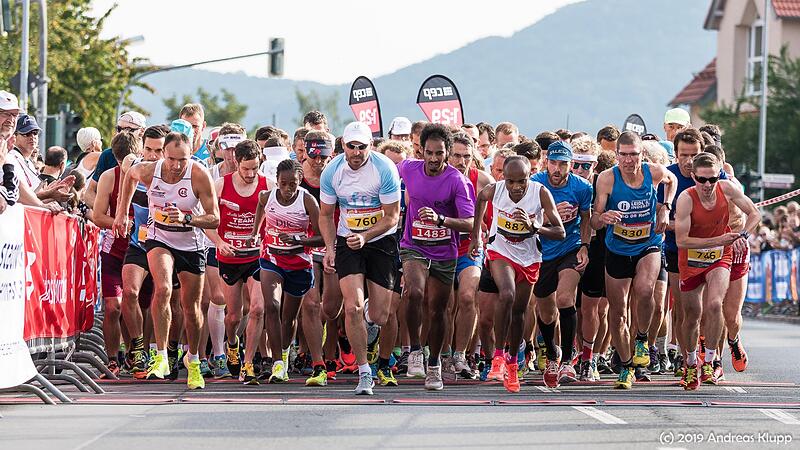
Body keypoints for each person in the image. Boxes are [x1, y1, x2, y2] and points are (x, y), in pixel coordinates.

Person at [113, 132, 219, 390]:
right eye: (171, 158)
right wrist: (121, 213)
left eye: (182, 159)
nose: (176, 165)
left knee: (191, 309)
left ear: (190, 156)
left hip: (190, 243)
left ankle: (193, 359)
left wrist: (186, 218)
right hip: (159, 238)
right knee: (163, 289)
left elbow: (214, 218)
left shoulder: (199, 174)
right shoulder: (151, 170)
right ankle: (160, 356)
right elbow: (130, 176)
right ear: (163, 154)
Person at [319, 121, 401, 395]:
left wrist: (365, 236)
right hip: (347, 240)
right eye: (351, 147)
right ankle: (365, 371)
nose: (356, 152)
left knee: (380, 315)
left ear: (371, 145)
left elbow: (392, 216)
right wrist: (330, 248)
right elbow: (325, 215)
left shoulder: (384, 168)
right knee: (351, 307)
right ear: (343, 145)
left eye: (361, 147)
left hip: (380, 240)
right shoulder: (332, 171)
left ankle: (368, 313)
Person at [470, 155, 564, 393]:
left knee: (519, 312)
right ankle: (498, 357)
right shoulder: (496, 189)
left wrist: (535, 227)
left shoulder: (540, 193)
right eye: (511, 181)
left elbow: (560, 231)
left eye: (521, 181)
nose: (516, 187)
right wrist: (475, 235)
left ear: (529, 177)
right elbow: (480, 199)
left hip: (529, 257)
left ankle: (513, 364)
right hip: (500, 251)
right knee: (507, 294)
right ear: (504, 178)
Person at [590, 131, 676, 390]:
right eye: (624, 155)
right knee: (617, 314)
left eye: (634, 155)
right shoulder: (607, 179)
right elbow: (594, 219)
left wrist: (665, 208)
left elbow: (672, 181)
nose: (629, 160)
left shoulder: (654, 172)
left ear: (642, 155)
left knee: (645, 290)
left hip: (648, 244)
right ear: (616, 155)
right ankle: (626, 366)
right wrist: (603, 218)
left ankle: (641, 339)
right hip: (617, 247)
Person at [399, 124, 475, 390]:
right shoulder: (409, 169)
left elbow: (469, 223)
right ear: (421, 151)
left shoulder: (457, 181)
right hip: (414, 246)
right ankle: (415, 350)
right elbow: (382, 168)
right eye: (429, 152)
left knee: (439, 309)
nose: (433, 158)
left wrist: (441, 219)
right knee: (414, 293)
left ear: (447, 152)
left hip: (444, 250)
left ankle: (434, 366)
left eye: (439, 153)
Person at [674, 152, 760, 390]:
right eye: (702, 179)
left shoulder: (726, 188)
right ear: (694, 177)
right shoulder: (686, 199)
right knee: (692, 314)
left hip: (720, 257)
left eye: (712, 179)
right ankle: (691, 362)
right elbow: (681, 240)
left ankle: (710, 361)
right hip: (691, 259)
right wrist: (718, 240)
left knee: (714, 305)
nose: (708, 185)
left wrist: (742, 235)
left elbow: (754, 213)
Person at [252, 159, 323, 383]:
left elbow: (321, 237)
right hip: (271, 259)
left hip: (299, 263)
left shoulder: (308, 201)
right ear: (277, 181)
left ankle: (284, 354)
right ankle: (277, 363)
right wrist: (256, 232)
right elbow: (260, 206)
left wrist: (298, 240)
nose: (288, 189)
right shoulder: (267, 196)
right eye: (283, 183)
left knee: (289, 318)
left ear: (300, 181)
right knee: (272, 306)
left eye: (293, 184)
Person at [205, 139, 268, 384]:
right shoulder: (221, 185)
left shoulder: (268, 185)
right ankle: (232, 344)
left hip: (257, 257)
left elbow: (277, 215)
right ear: (236, 163)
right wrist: (219, 242)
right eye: (246, 169)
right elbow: (207, 220)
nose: (251, 174)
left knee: (258, 308)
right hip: (229, 257)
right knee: (233, 316)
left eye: (255, 168)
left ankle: (248, 364)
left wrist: (265, 238)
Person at [530, 141, 593, 388]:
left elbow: (586, 218)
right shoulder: (535, 184)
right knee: (545, 310)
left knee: (565, 298)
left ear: (571, 165)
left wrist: (585, 246)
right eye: (554, 163)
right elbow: (527, 219)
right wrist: (551, 215)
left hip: (570, 246)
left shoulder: (582, 187)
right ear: (546, 163)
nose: (558, 169)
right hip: (541, 251)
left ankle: (568, 360)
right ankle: (552, 354)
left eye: (563, 164)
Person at [115, 124, 169, 379]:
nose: (153, 155)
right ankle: (137, 348)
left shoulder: (179, 173)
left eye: (159, 151)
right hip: (140, 243)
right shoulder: (135, 166)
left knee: (167, 297)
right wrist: (121, 215)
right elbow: (127, 175)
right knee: (129, 292)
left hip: (168, 245)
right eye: (148, 149)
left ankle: (166, 352)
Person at [93, 131, 141, 377]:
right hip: (114, 250)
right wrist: (119, 222)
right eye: (121, 161)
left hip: (140, 249)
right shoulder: (108, 177)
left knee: (137, 303)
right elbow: (97, 216)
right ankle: (112, 358)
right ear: (115, 158)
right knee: (113, 307)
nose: (126, 166)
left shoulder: (147, 175)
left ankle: (136, 353)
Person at [447, 132, 494, 379]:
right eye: (456, 155)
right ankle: (441, 355)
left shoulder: (483, 180)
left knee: (467, 297)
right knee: (443, 304)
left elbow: (494, 220)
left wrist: (483, 235)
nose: (461, 161)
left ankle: (461, 355)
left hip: (470, 248)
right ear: (447, 155)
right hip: (441, 248)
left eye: (466, 156)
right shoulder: (436, 177)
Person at [85, 111, 147, 208]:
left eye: (128, 129)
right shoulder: (108, 155)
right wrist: (104, 210)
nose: (122, 133)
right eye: (119, 129)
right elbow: (89, 192)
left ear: (142, 131)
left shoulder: (148, 156)